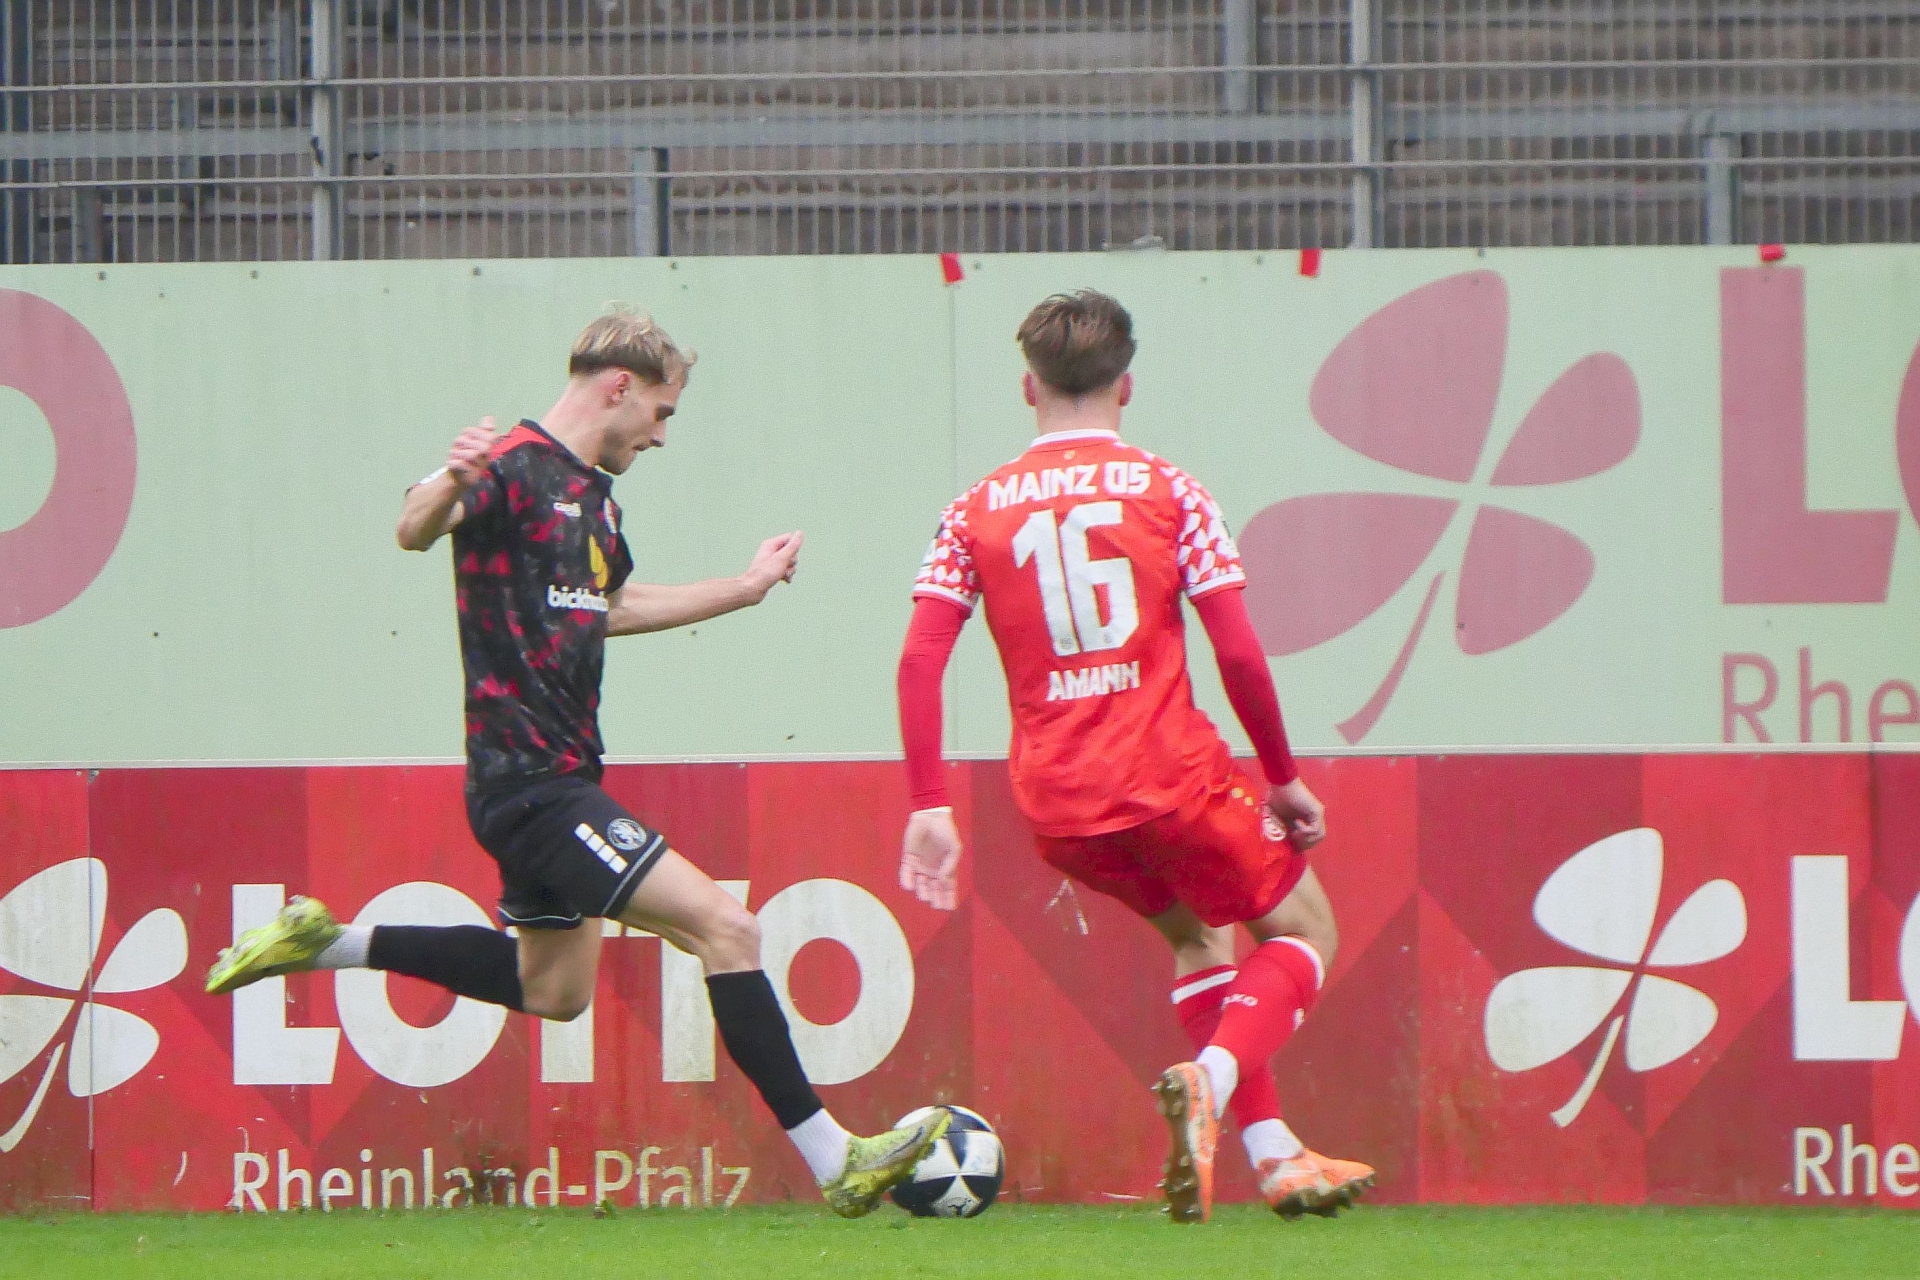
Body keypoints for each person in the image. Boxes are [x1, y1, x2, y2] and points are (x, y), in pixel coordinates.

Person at [207, 307, 948, 1217]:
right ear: (620, 387)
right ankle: (835, 1158)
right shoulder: (510, 465)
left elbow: (614, 606)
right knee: (728, 928)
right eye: (662, 414)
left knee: (552, 990)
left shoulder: (592, 496)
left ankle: (330, 942)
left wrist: (745, 589)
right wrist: (451, 478)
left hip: (549, 781)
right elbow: (412, 525)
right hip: (533, 786)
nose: (662, 436)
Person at [894, 290, 1373, 1223]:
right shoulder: (1171, 490)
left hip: (1057, 805)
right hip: (1169, 777)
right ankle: (1213, 1080)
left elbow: (921, 658)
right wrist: (1281, 777)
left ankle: (1275, 1156)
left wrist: (928, 802)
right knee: (1306, 932)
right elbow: (1238, 651)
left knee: (1201, 938)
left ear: (1027, 386)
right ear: (1127, 386)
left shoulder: (972, 511)